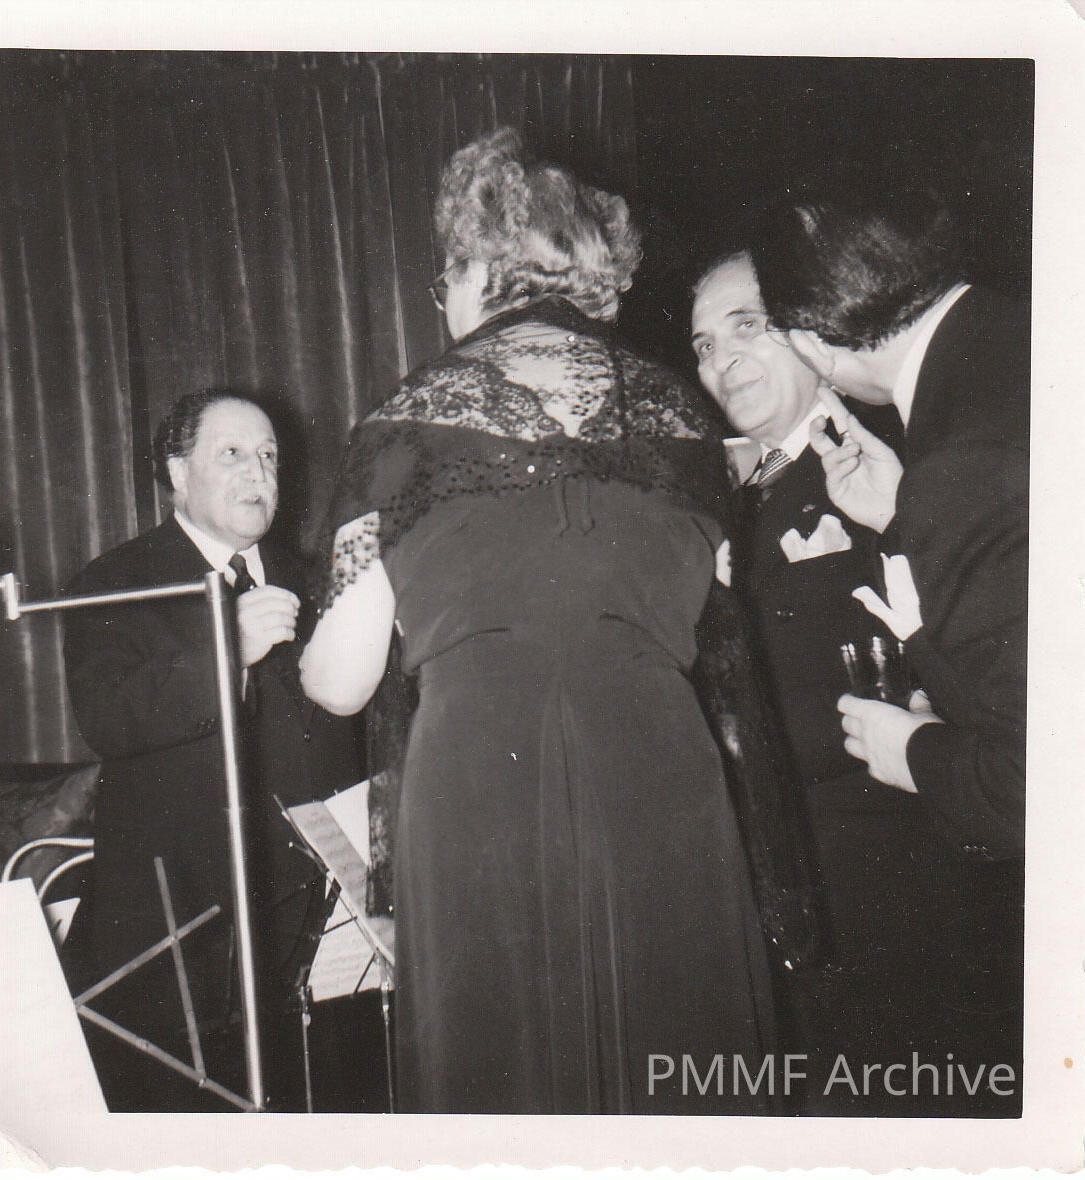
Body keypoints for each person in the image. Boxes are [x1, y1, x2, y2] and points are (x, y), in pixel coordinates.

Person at [301, 128, 810, 1115]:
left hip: (477, 781)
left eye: (444, 278)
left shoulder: (405, 421)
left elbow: (340, 681)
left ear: (475, 268)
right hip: (660, 766)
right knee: (672, 1053)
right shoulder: (684, 420)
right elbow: (713, 624)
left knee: (505, 1073)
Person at [691, 248, 995, 1113]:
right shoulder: (712, 496)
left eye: (746, 327)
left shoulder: (901, 452)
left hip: (892, 883)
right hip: (773, 883)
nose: (722, 360)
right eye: (704, 344)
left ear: (809, 333)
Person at [749, 187, 1026, 1110]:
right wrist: (904, 514)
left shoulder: (963, 459)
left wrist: (916, 752)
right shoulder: (1017, 346)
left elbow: (1040, 784)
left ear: (816, 344)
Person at [62, 391, 364, 1112]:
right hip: (183, 936)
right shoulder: (113, 582)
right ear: (177, 472)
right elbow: (107, 720)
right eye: (232, 453)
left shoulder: (317, 579)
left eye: (269, 456)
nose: (258, 472)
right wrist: (226, 650)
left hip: (318, 925)